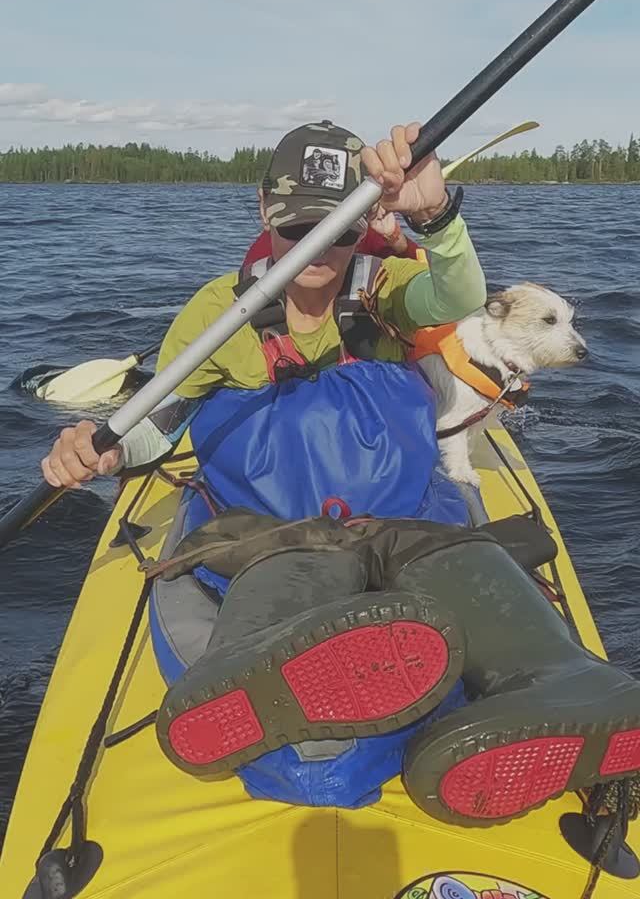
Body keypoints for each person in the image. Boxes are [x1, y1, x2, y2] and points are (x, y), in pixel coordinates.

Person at [41, 120, 640, 822]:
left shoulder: (388, 287)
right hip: (277, 528)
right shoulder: (218, 312)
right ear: (264, 211)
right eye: (300, 228)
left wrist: (435, 218)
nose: (320, 247)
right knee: (298, 576)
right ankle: (255, 678)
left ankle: (562, 686)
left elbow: (459, 296)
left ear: (366, 223)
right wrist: (105, 445)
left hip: (403, 512)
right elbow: (158, 419)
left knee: (460, 558)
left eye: (340, 227)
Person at [243, 197, 422, 267]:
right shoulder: (263, 254)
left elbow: (432, 281)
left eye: (340, 235)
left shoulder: (363, 229)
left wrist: (394, 237)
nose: (319, 248)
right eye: (297, 229)